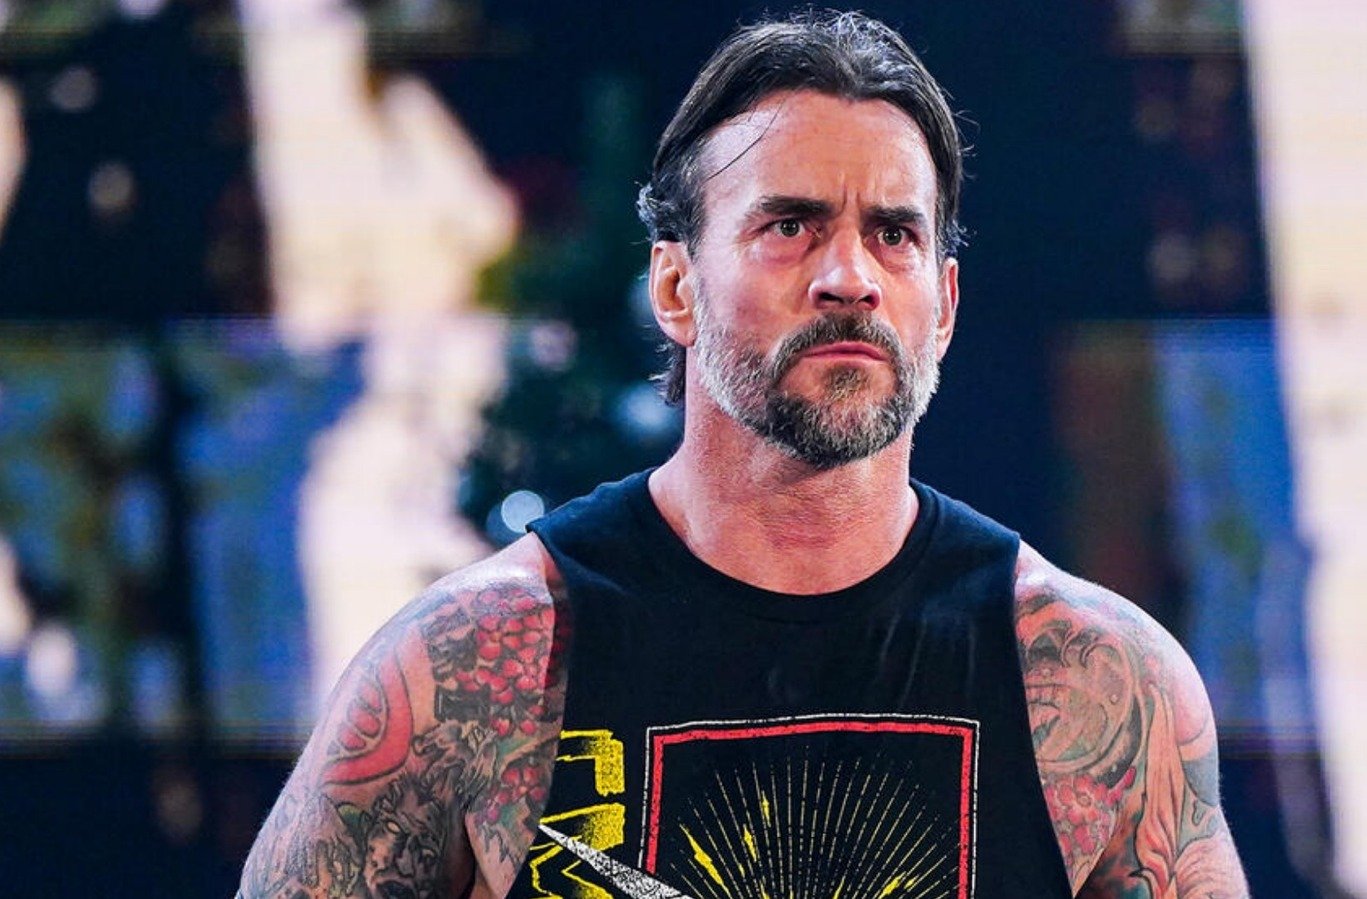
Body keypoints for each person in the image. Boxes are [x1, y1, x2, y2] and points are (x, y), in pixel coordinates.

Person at [239, 10, 1249, 898]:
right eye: (791, 226)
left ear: (943, 306)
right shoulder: (470, 664)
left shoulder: (1099, 681)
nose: (849, 276)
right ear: (674, 288)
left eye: (894, 234)